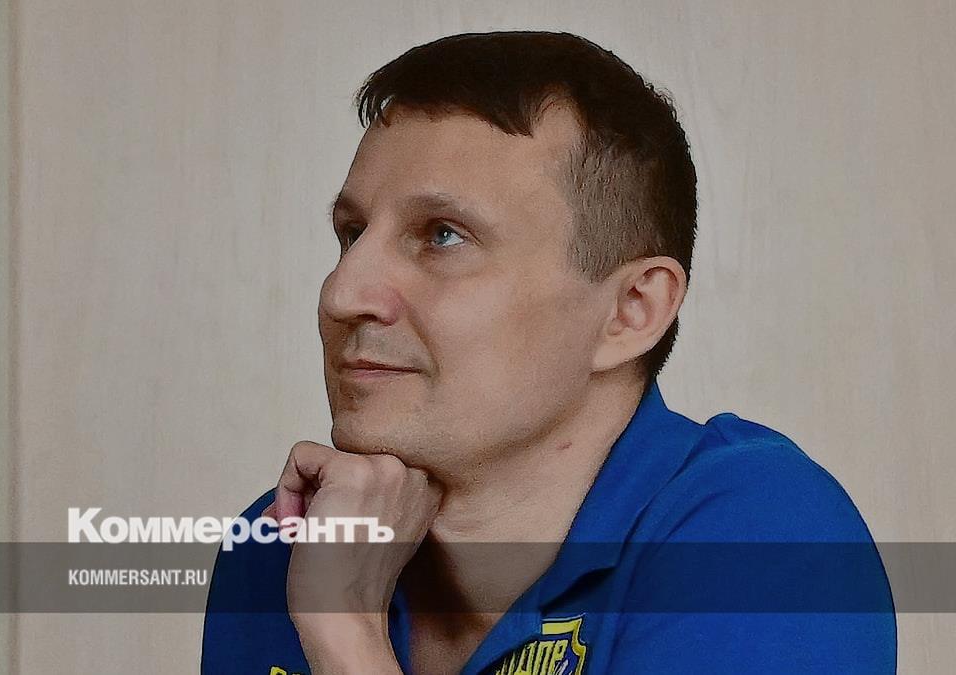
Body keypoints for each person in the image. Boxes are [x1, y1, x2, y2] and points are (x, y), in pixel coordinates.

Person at [201, 31, 895, 674]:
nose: (342, 292)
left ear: (631, 310)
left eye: (442, 235)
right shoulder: (288, 542)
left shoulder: (766, 538)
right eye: (353, 234)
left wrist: (344, 631)